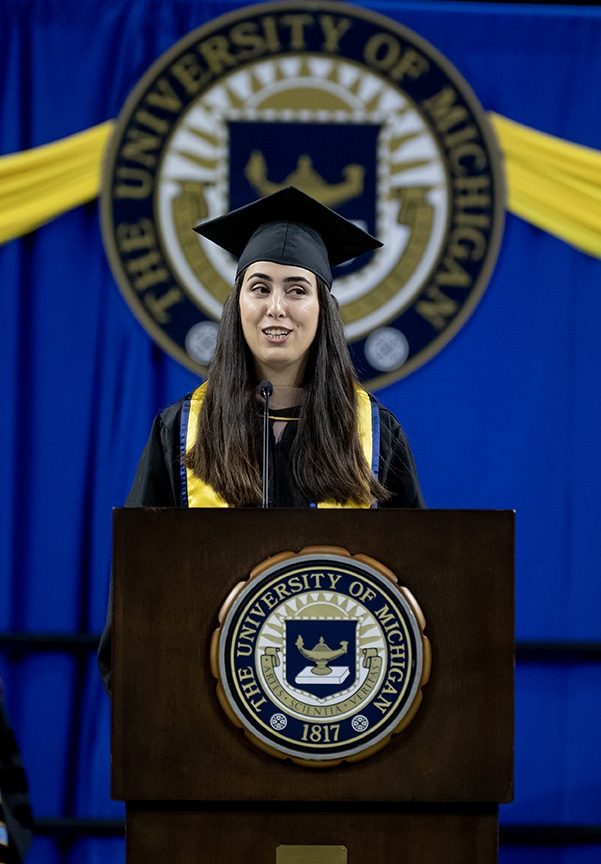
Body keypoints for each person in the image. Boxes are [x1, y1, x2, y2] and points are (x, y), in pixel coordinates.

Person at [98, 186, 425, 693]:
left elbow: (414, 591)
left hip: (336, 706)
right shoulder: (181, 430)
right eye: (260, 288)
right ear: (237, 303)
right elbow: (136, 593)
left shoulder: (376, 435)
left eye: (297, 289)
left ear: (323, 309)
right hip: (200, 702)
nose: (277, 308)